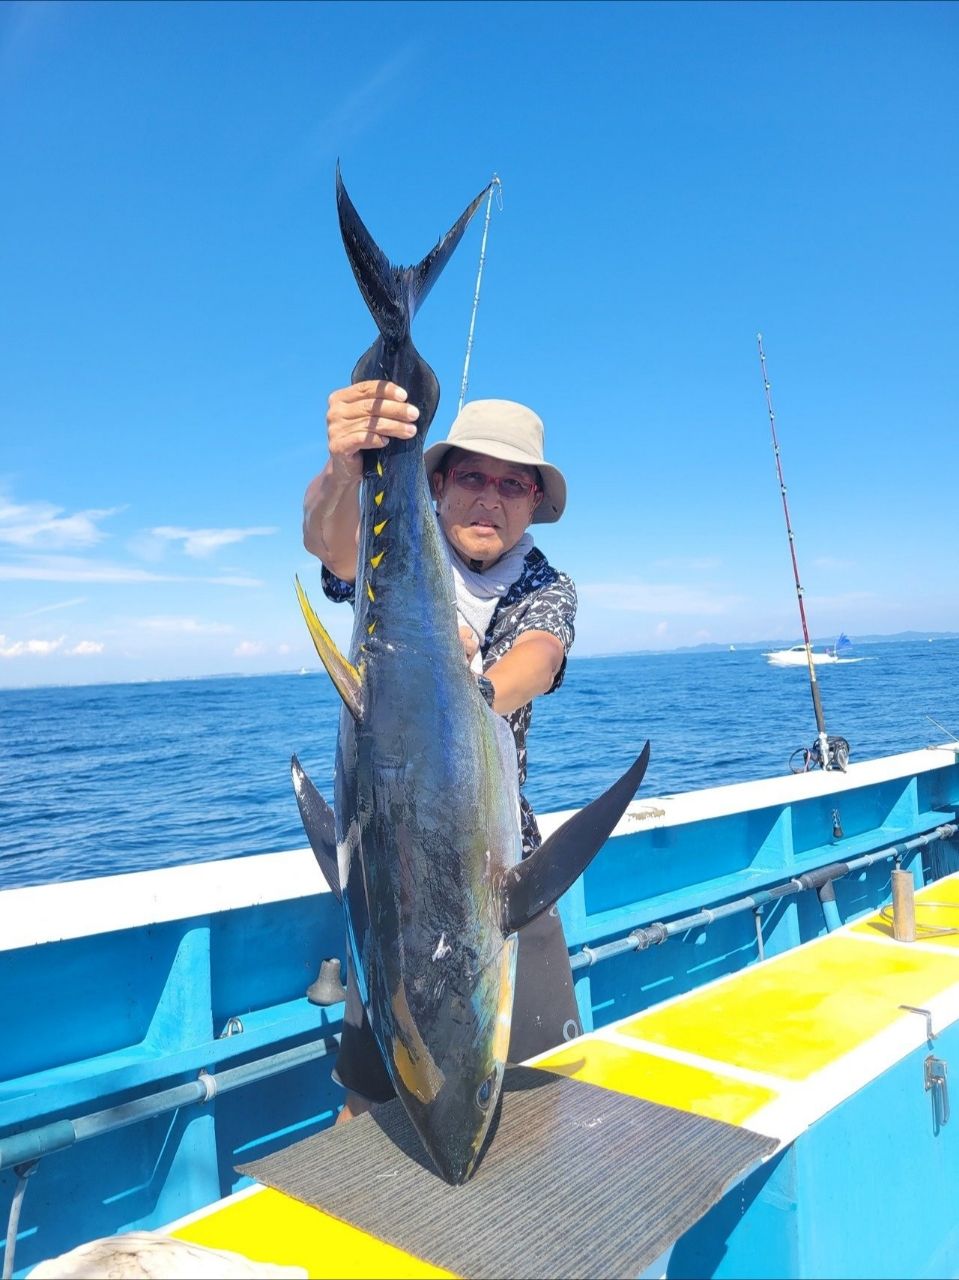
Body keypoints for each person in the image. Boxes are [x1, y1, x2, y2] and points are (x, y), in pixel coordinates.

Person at [303, 380, 580, 1121]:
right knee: (367, 1100)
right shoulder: (390, 556)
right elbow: (331, 545)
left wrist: (471, 694)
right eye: (471, 477)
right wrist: (341, 470)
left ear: (531, 502)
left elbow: (541, 657)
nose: (491, 497)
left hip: (497, 869)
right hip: (390, 870)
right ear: (438, 483)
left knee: (543, 1101)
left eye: (512, 484)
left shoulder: (544, 583)